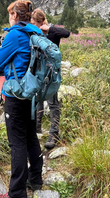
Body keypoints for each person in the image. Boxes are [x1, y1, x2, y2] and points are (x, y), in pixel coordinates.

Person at [0, 0, 43, 198]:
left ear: (14, 15)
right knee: (31, 136)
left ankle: (17, 193)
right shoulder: (35, 32)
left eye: (10, 14)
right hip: (32, 94)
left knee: (17, 143)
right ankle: (36, 179)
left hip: (16, 94)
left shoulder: (14, 35)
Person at [31, 8, 70, 149]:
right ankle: (37, 129)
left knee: (53, 103)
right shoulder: (34, 34)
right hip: (38, 72)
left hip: (51, 74)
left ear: (40, 21)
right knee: (37, 101)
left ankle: (54, 134)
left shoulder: (52, 33)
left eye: (34, 22)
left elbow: (67, 33)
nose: (32, 25)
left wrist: (49, 28)